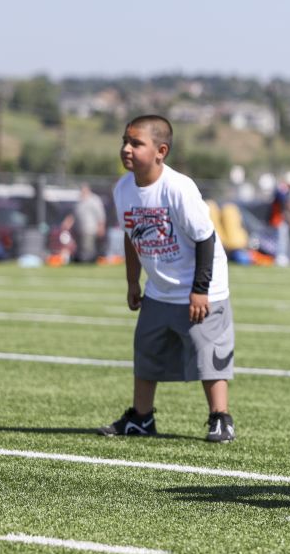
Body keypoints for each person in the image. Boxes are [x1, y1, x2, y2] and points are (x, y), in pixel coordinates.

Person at [97, 115, 238, 443]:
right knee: (146, 351)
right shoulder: (123, 188)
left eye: (136, 143)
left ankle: (220, 417)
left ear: (161, 151)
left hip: (202, 288)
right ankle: (142, 418)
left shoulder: (178, 187)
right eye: (124, 141)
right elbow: (131, 238)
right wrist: (133, 282)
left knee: (209, 353)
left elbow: (206, 238)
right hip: (160, 288)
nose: (126, 149)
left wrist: (200, 290)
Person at [72, 183, 107, 263]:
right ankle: (83, 261)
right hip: (79, 229)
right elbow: (74, 214)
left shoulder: (94, 200)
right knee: (81, 248)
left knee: (88, 247)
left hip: (90, 229)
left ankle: (89, 261)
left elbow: (100, 215)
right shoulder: (79, 200)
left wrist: (101, 227)